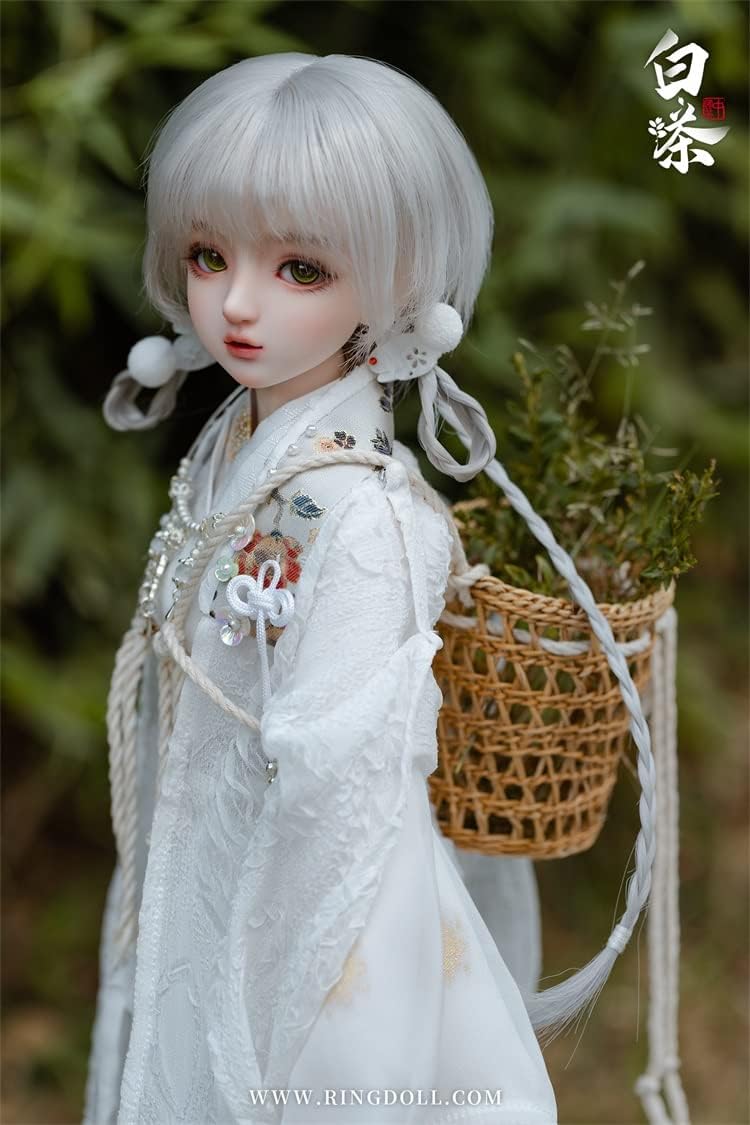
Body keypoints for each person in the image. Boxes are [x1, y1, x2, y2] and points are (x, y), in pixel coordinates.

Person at [84, 51, 637, 1125]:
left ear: (392, 280)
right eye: (208, 255)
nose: (238, 302)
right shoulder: (239, 443)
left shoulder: (368, 514)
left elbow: (341, 798)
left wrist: (263, 971)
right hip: (212, 853)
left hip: (316, 914)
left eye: (301, 269)